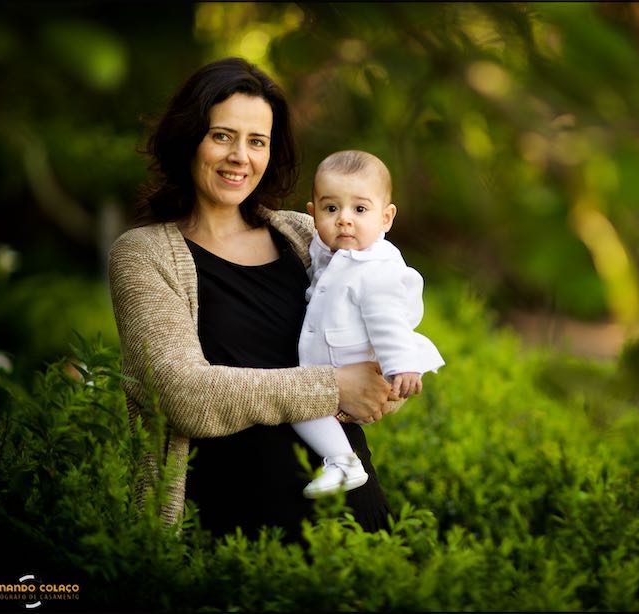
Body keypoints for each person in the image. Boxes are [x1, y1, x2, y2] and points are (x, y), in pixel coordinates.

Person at [107, 57, 401, 541]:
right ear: (189, 138)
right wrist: (334, 388)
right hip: (231, 536)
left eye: (257, 141)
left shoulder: (307, 237)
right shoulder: (143, 256)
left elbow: (374, 344)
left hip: (354, 520)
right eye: (222, 136)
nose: (240, 156)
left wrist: (387, 381)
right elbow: (184, 395)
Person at [292, 150, 445, 498]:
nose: (344, 219)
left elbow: (387, 320)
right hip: (331, 360)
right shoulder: (329, 250)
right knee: (303, 407)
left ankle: (343, 462)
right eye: (331, 209)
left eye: (360, 209)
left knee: (302, 409)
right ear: (312, 214)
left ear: (386, 218)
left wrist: (401, 365)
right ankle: (342, 461)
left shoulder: (376, 268)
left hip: (350, 364)